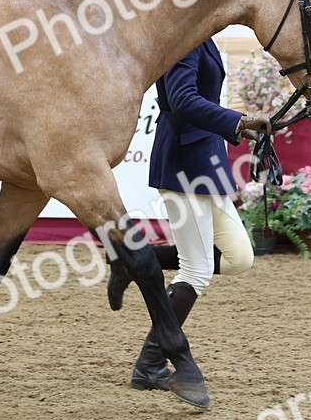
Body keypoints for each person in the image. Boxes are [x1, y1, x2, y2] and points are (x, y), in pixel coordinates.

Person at [107, 39, 271, 391]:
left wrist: (244, 126)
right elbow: (181, 100)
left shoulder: (202, 38)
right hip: (183, 164)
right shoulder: (183, 41)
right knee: (195, 270)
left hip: (207, 161)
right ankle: (150, 364)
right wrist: (239, 121)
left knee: (239, 257)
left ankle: (132, 261)